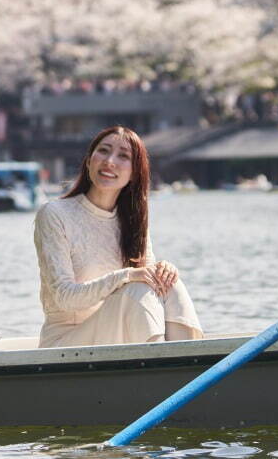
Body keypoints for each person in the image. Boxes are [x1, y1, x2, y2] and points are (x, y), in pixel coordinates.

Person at [34, 125, 204, 348]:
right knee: (138, 287)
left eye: (123, 156)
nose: (110, 161)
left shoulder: (133, 221)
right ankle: (164, 368)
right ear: (88, 160)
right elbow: (64, 298)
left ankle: (187, 364)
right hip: (66, 343)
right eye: (103, 151)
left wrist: (165, 270)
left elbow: (149, 281)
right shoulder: (54, 214)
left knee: (170, 283)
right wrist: (126, 276)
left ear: (135, 173)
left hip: (118, 338)